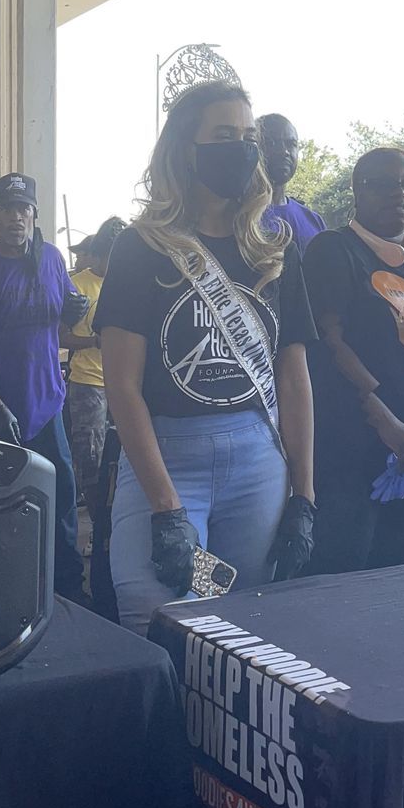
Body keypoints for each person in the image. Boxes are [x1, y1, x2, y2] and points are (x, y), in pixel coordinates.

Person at [96, 81, 318, 631]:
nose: (241, 148)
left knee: (244, 628)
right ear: (185, 148)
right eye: (223, 135)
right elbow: (122, 387)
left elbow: (293, 378)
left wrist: (304, 495)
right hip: (167, 456)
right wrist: (165, 507)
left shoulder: (273, 249)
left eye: (249, 137)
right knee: (160, 617)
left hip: (258, 461)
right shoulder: (141, 246)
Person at [305, 147, 404, 573]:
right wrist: (383, 420)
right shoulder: (334, 251)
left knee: (398, 577)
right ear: (357, 192)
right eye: (381, 184)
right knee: (342, 576)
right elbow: (328, 344)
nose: (398, 194)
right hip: (352, 452)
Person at [0, 175, 91, 601]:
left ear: (34, 214)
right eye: (7, 209)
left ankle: (67, 589)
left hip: (47, 408)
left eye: (24, 208)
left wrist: (75, 311)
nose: (16, 217)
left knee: (61, 498)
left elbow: (62, 327)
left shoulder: (52, 259)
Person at [63, 218, 126, 555]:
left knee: (122, 459)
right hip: (88, 384)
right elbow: (60, 337)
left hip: (124, 383)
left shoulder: (127, 284)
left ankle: (113, 528)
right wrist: (94, 341)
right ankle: (96, 529)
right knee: (90, 461)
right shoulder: (78, 286)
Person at [257, 113, 326, 250]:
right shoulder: (239, 218)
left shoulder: (314, 221)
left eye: (291, 144)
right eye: (271, 143)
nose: (284, 152)